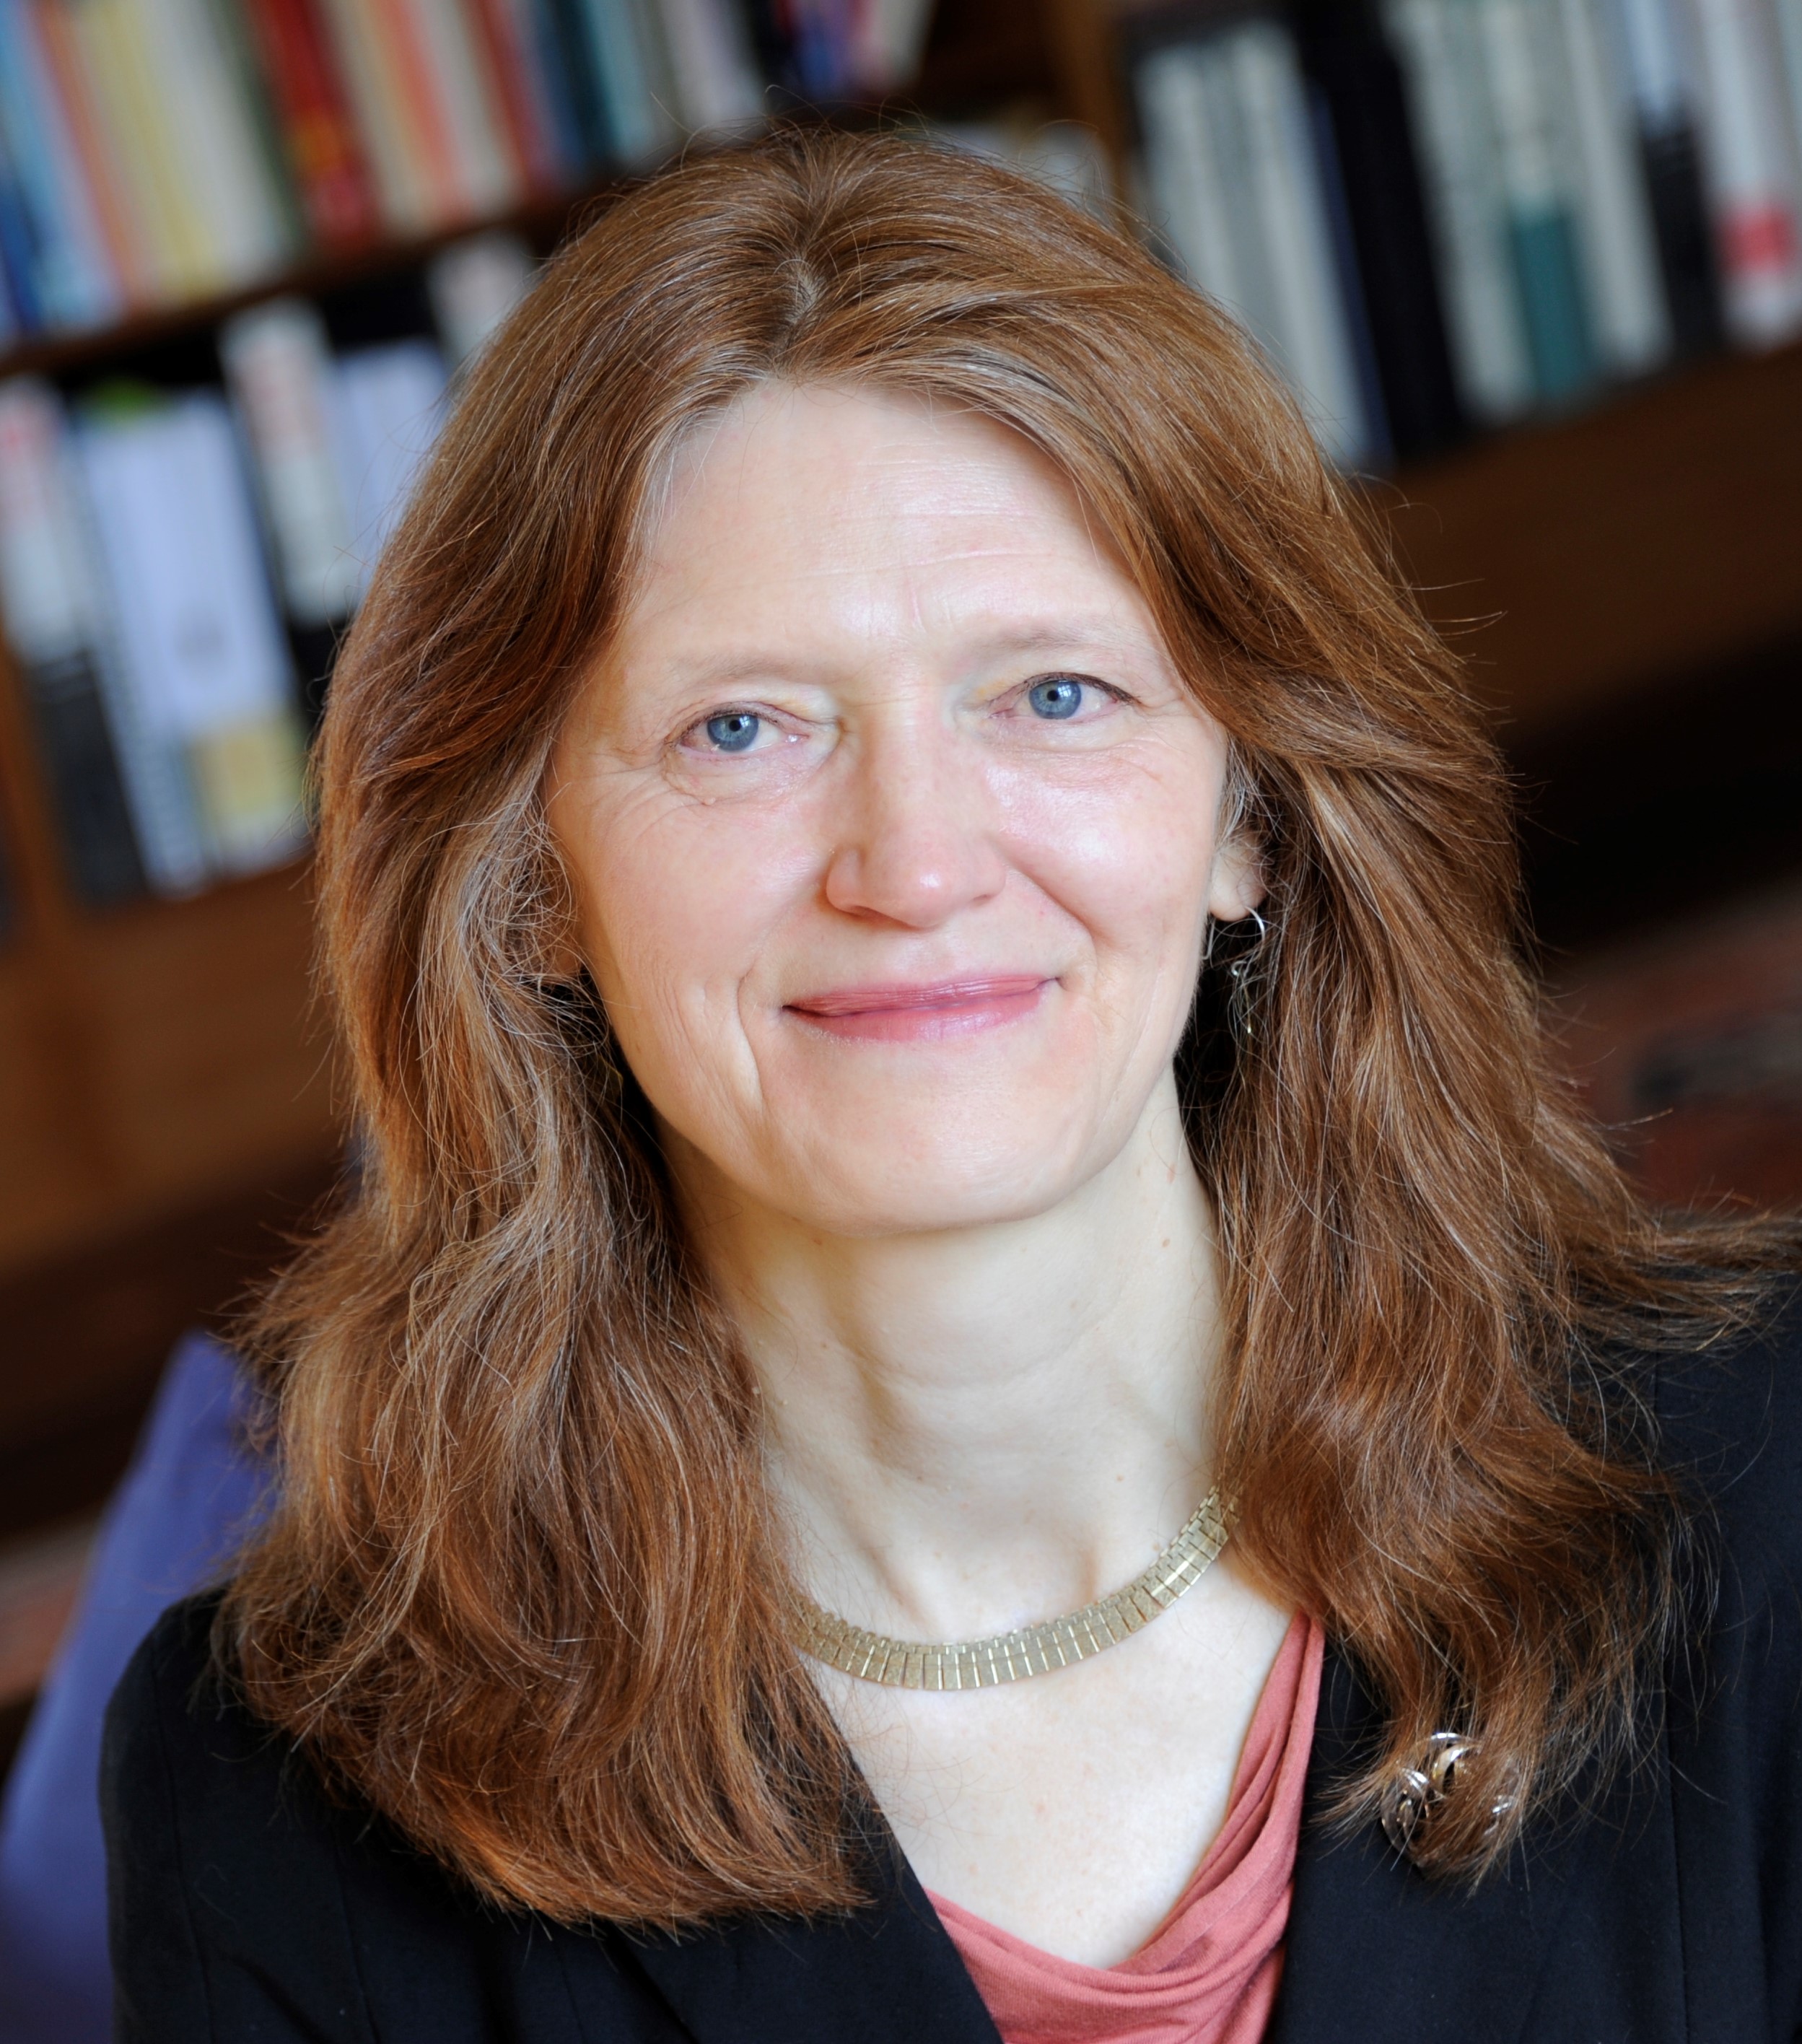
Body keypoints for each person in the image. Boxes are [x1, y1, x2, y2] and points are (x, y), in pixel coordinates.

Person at [102, 130, 1802, 2044]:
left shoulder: (1760, 1476)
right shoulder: (277, 1812)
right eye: (741, 728)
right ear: (530, 884)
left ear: (1249, 814)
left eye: (1051, 696)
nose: (913, 865)